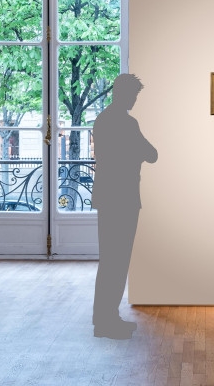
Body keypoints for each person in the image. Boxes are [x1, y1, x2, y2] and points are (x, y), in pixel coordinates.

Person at [91, 73, 158, 339]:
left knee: (110, 259)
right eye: (134, 95)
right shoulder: (127, 122)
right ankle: (106, 321)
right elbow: (152, 154)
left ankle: (106, 317)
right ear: (124, 93)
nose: (135, 99)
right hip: (123, 196)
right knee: (116, 260)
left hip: (108, 195)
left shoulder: (103, 119)